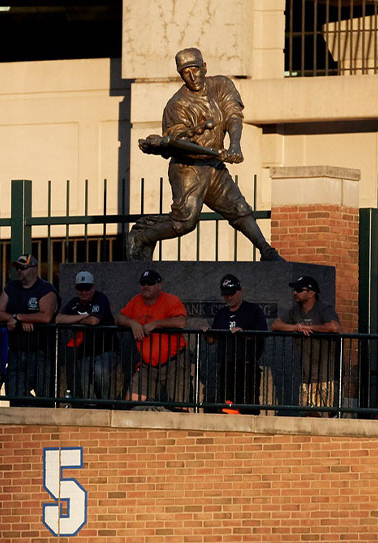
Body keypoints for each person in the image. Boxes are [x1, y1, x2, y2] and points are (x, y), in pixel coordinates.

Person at [126, 47, 282, 262]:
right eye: (185, 72)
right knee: (186, 221)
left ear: (204, 67)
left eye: (196, 69)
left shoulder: (221, 85)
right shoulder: (177, 104)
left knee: (239, 208)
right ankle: (143, 235)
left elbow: (232, 114)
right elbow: (180, 144)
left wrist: (234, 145)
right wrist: (215, 152)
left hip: (214, 167)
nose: (192, 76)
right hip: (187, 168)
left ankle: (266, 251)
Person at [116, 269, 191, 409]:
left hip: (174, 361)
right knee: (130, 405)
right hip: (147, 364)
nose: (145, 287)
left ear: (159, 285)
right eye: (143, 283)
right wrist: (132, 323)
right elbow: (119, 317)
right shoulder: (136, 301)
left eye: (149, 283)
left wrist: (156, 324)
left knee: (179, 408)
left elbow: (181, 322)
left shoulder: (171, 300)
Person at [0, 254, 59, 406]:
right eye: (18, 267)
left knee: (44, 396)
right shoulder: (11, 286)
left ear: (34, 268)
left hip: (40, 350)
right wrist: (15, 317)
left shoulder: (45, 289)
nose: (19, 270)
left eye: (23, 267)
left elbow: (46, 316)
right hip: (16, 350)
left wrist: (19, 318)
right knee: (14, 392)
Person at [272, 275, 341, 415]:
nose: (294, 293)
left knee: (325, 414)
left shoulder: (324, 308)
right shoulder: (295, 310)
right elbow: (275, 325)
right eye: (294, 290)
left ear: (311, 293)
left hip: (325, 374)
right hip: (305, 374)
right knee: (308, 414)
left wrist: (311, 328)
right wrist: (296, 327)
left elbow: (334, 326)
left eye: (299, 290)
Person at [206, 273, 268, 414]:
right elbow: (213, 339)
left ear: (239, 292)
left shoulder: (253, 310)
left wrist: (243, 332)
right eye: (226, 294)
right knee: (228, 405)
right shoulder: (221, 314)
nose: (228, 297)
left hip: (247, 364)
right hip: (227, 364)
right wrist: (208, 334)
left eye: (232, 294)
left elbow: (262, 333)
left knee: (248, 405)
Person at [56, 270, 117, 405]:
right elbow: (59, 319)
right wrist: (84, 316)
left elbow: (94, 321)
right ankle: (90, 408)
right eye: (80, 288)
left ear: (93, 287)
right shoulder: (74, 303)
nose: (84, 292)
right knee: (84, 385)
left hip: (104, 349)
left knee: (101, 376)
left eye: (87, 288)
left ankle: (105, 406)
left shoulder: (100, 299)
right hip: (83, 352)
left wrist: (72, 320)